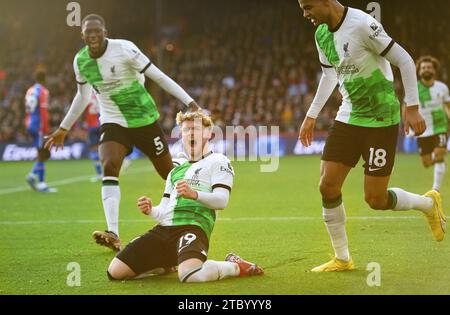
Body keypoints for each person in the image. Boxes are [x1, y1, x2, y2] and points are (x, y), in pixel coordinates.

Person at [297, 0, 446, 272]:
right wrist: (311, 114)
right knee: (327, 186)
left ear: (327, 2)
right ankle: (342, 258)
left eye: (308, 7)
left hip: (381, 119)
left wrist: (412, 107)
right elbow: (329, 76)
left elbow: (404, 60)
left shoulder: (363, 23)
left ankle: (427, 203)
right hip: (348, 116)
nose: (306, 14)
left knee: (375, 199)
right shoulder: (320, 34)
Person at [45, 14, 200, 251]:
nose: (93, 36)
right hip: (112, 121)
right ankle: (113, 233)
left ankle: (198, 209)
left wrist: (190, 102)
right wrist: (64, 127)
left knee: (168, 174)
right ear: (83, 35)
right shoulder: (81, 61)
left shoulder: (125, 49)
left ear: (105, 32)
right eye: (89, 32)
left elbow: (157, 76)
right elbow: (83, 96)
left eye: (97, 31)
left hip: (145, 121)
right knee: (109, 165)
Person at [107, 110, 264, 282]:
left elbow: (222, 201)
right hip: (164, 229)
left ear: (208, 133)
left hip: (193, 227)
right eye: (185, 130)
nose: (190, 133)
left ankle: (234, 266)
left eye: (195, 129)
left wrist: (194, 194)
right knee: (115, 272)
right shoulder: (175, 171)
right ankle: (164, 265)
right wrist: (151, 210)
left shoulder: (219, 161)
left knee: (189, 276)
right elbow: (164, 210)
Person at [411, 56, 450, 191]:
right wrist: (407, 122)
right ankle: (438, 159)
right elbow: (407, 106)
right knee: (427, 163)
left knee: (439, 153)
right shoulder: (414, 88)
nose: (426, 70)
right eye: (423, 68)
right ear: (419, 71)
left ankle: (435, 190)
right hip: (422, 129)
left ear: (434, 70)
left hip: (440, 126)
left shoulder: (442, 87)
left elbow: (447, 106)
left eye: (429, 67)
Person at [25, 71, 57, 193]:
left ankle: (35, 178)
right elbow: (43, 110)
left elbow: (27, 109)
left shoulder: (29, 90)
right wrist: (46, 128)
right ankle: (37, 180)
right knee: (44, 153)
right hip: (39, 126)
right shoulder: (43, 91)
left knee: (42, 153)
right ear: (45, 79)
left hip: (30, 124)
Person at [84, 92, 103, 182]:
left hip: (92, 126)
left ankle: (99, 174)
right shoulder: (100, 93)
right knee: (104, 148)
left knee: (93, 150)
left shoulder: (86, 95)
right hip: (102, 124)